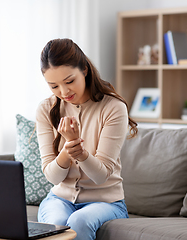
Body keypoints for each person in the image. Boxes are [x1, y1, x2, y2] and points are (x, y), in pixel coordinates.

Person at [36, 38, 137, 240]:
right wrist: (67, 150)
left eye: (69, 81)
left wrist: (79, 152)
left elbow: (101, 176)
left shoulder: (113, 108)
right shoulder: (46, 109)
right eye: (54, 86)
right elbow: (52, 177)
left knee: (78, 222)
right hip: (59, 198)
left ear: (84, 69)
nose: (64, 92)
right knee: (55, 224)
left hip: (106, 203)